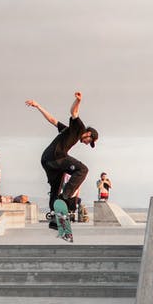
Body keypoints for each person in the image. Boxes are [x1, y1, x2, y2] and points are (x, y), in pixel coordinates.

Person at [26, 92, 99, 228]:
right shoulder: (79, 128)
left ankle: (55, 218)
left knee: (55, 187)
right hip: (56, 156)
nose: (87, 143)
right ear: (89, 134)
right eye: (90, 141)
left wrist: (38, 106)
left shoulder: (67, 130)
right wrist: (78, 101)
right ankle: (64, 198)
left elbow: (53, 120)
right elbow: (74, 112)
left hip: (46, 160)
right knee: (83, 169)